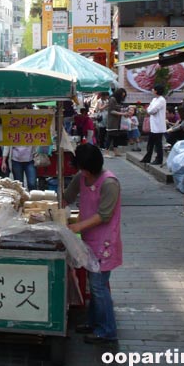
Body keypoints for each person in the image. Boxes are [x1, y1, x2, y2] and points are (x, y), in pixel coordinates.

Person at [64, 143, 122, 345]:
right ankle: (94, 322)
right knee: (94, 284)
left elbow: (104, 215)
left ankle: (107, 331)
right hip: (88, 239)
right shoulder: (81, 177)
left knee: (98, 286)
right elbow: (66, 198)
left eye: (84, 168)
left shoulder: (109, 183)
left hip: (105, 242)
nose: (82, 173)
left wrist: (77, 227)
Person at [141, 84, 167, 165]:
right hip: (153, 125)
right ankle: (147, 158)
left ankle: (159, 159)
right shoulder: (154, 99)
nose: (152, 90)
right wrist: (149, 109)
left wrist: (149, 109)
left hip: (158, 125)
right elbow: (149, 109)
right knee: (150, 143)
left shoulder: (161, 100)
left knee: (158, 144)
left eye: (153, 89)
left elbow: (151, 110)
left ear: (156, 91)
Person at [104, 88, 128, 158]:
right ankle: (106, 152)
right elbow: (111, 111)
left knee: (116, 137)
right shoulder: (112, 99)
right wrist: (122, 113)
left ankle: (115, 152)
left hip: (117, 122)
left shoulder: (117, 100)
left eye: (124, 96)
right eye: (122, 95)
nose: (123, 97)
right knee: (110, 136)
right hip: (112, 122)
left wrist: (124, 113)